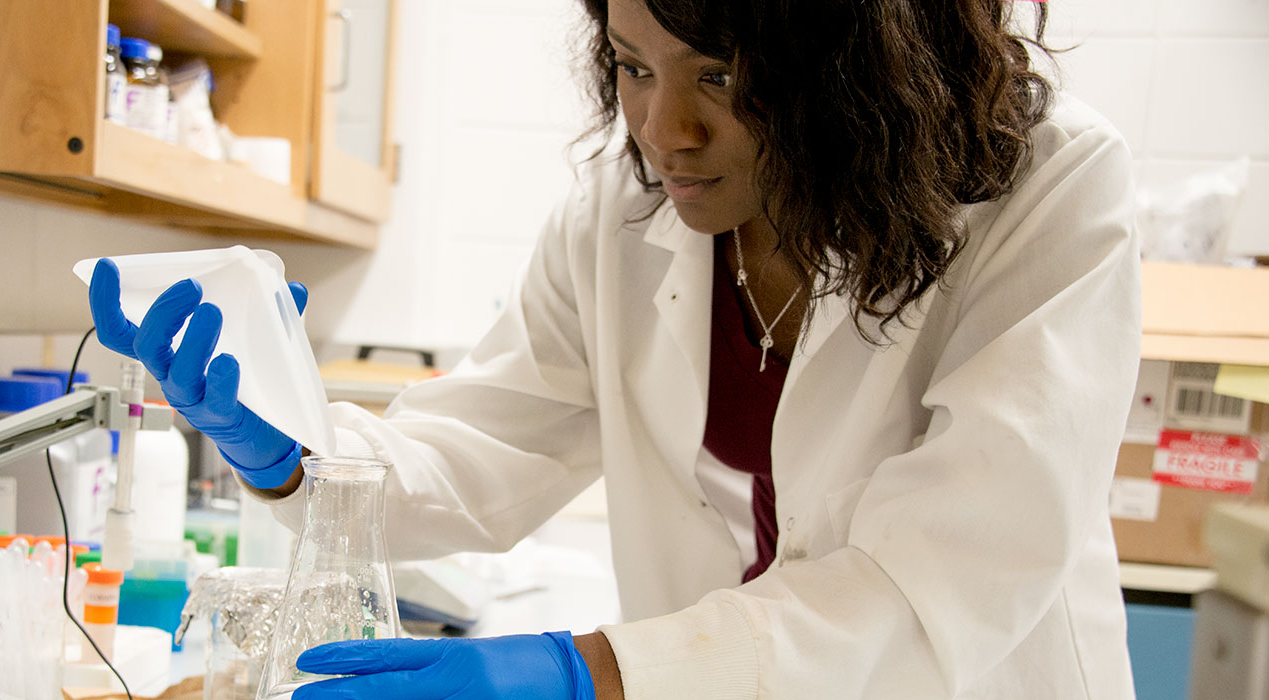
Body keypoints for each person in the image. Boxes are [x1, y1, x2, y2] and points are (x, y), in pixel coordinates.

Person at [89, 0, 1142, 696]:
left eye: (721, 78)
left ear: (854, 70)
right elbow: (484, 449)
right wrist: (293, 444)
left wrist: (587, 670)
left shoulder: (1045, 192)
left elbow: (946, 579)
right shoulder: (619, 218)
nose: (660, 128)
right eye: (632, 67)